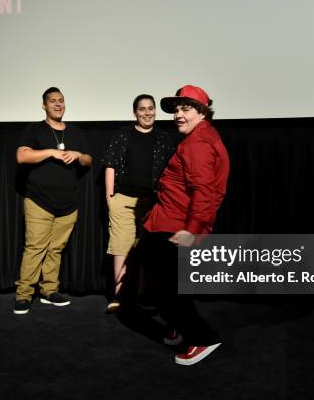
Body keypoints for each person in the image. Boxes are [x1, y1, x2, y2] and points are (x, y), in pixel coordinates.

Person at [122, 85, 230, 365]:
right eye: (177, 110)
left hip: (176, 224)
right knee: (164, 281)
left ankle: (203, 338)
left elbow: (205, 191)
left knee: (164, 289)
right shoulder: (203, 135)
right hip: (167, 219)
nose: (178, 115)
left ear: (203, 112)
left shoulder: (197, 143)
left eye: (186, 109)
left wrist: (192, 230)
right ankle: (179, 325)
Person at [13, 87, 92, 315]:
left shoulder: (75, 132)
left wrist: (78, 155)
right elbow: (22, 156)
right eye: (53, 101)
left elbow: (88, 161)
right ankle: (24, 294)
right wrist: (51, 152)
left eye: (61, 101)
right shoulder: (35, 130)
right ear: (44, 105)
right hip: (39, 200)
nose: (58, 104)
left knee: (56, 249)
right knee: (35, 248)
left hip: (68, 203)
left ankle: (49, 291)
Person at [102, 94, 174, 313]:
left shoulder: (164, 138)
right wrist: (109, 196)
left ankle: (142, 295)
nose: (147, 113)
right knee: (121, 248)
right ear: (134, 112)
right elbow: (111, 165)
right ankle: (119, 296)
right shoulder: (123, 135)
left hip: (152, 203)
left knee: (146, 251)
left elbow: (171, 173)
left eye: (151, 108)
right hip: (123, 201)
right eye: (142, 109)